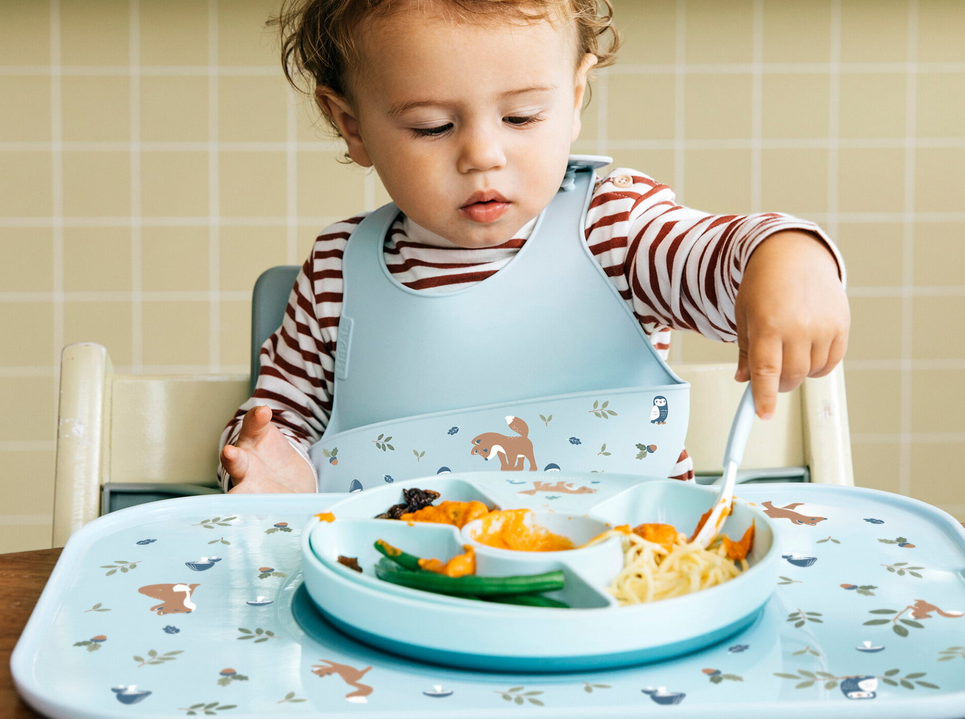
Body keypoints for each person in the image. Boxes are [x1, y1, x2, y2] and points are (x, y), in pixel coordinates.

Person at [218, 0, 849, 494]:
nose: (483, 155)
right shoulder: (338, 272)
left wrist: (788, 257)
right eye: (432, 126)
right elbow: (278, 427)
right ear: (352, 126)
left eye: (520, 117)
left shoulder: (616, 229)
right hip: (403, 597)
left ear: (574, 99)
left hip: (625, 592)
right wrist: (271, 472)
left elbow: (720, 260)